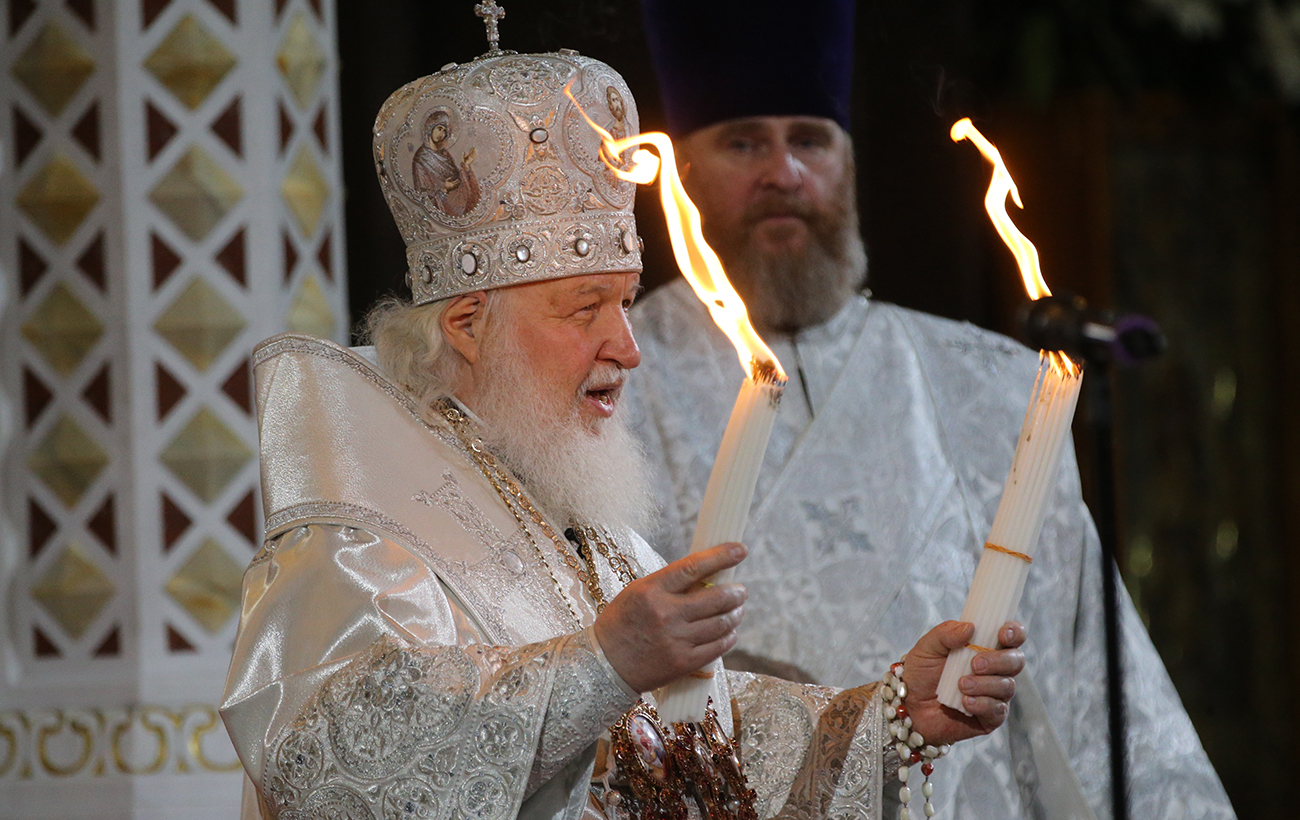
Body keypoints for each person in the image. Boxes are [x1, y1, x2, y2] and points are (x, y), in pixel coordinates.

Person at [219, 32, 1026, 820]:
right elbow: (329, 762)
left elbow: (688, 748)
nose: (628, 348)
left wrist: (887, 717)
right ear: (467, 326)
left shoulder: (594, 535)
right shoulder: (362, 535)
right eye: (584, 309)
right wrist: (601, 664)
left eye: (627, 302)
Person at [627, 2, 1235, 819]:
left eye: (810, 140)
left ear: (848, 164)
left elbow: (1087, 666)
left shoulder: (989, 382)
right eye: (743, 143)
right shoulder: (613, 379)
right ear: (683, 170)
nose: (784, 173)